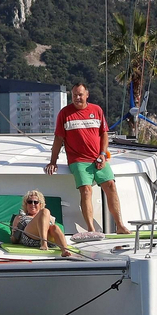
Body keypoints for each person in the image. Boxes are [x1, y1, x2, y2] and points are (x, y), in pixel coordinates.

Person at [45, 82, 125, 235]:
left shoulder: (97, 110)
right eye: (74, 95)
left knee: (111, 186)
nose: (77, 97)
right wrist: (53, 161)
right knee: (86, 191)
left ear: (87, 95)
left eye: (80, 94)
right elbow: (58, 139)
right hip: (78, 160)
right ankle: (91, 229)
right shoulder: (64, 114)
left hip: (98, 158)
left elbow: (104, 134)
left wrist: (102, 153)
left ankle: (120, 226)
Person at [10, 189, 73, 256]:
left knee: (55, 227)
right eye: (29, 202)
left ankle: (64, 250)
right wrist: (14, 233)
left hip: (49, 241)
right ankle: (43, 243)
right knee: (45, 211)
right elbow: (13, 240)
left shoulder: (49, 217)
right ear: (26, 204)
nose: (33, 204)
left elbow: (52, 231)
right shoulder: (20, 217)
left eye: (36, 202)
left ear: (40, 204)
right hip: (29, 238)